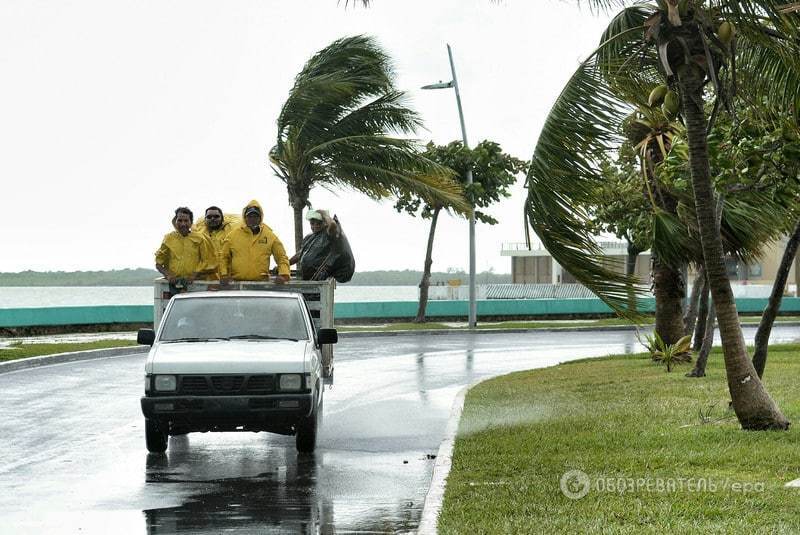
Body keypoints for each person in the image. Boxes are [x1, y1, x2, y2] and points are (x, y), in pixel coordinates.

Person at [220, 200, 290, 283]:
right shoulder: (232, 236)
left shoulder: (270, 236)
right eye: (249, 216)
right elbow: (223, 257)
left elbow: (281, 257)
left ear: (260, 218)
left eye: (255, 216)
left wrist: (283, 274)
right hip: (236, 283)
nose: (252, 219)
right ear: (245, 218)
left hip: (262, 284)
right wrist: (224, 275)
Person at [155, 207, 217, 288]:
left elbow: (205, 261)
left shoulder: (200, 238)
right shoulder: (168, 238)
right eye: (180, 220)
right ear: (176, 221)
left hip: (196, 283)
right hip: (174, 284)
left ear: (191, 223)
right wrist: (168, 275)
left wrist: (194, 275)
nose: (183, 224)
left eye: (186, 221)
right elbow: (158, 263)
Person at [290, 209, 355, 282]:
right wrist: (286, 264)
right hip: (307, 278)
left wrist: (325, 216)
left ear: (325, 223)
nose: (315, 226)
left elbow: (333, 225)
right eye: (312, 223)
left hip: (320, 279)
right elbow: (300, 254)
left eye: (319, 223)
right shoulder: (309, 238)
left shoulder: (329, 233)